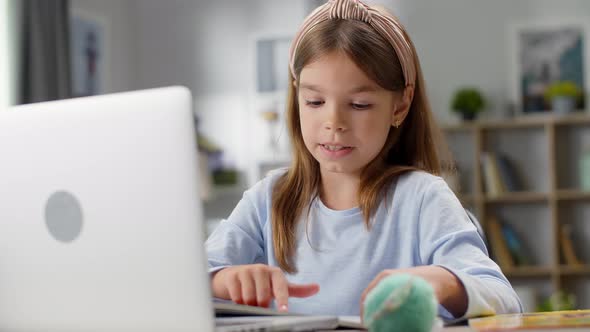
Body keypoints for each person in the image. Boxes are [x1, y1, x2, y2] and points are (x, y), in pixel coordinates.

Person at [206, 0, 522, 320]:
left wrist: (442, 282)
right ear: (297, 94)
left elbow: (503, 298)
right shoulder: (268, 198)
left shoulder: (424, 199)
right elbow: (191, 280)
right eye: (314, 101)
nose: (334, 122)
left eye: (358, 104)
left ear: (400, 105)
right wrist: (222, 280)